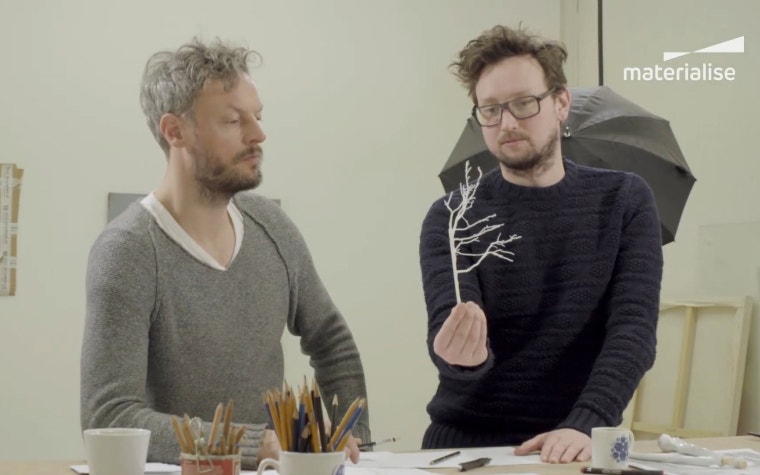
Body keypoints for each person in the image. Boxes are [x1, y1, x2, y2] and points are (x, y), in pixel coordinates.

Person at [80, 38, 370, 469]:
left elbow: (332, 341)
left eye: (258, 116)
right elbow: (110, 416)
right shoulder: (128, 251)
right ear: (175, 131)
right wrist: (255, 444)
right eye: (234, 121)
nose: (258, 134)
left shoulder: (271, 226)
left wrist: (356, 441)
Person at [418, 25, 663, 463]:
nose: (507, 123)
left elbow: (633, 332)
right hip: (467, 445)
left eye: (524, 103)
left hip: (577, 441)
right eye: (489, 110)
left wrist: (586, 421)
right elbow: (450, 337)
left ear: (561, 102)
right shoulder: (453, 216)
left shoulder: (625, 200)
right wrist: (461, 358)